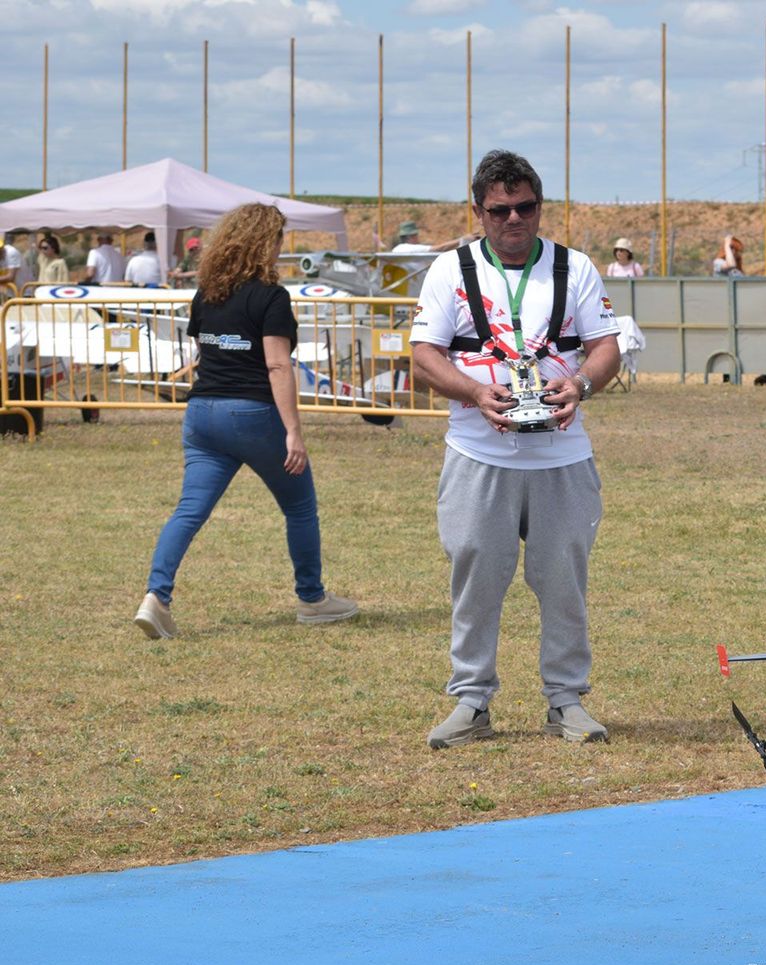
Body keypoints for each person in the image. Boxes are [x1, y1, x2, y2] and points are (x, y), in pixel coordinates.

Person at [409, 149, 623, 750]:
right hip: (478, 456)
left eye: (526, 207)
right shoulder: (449, 271)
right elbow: (424, 355)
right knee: (475, 571)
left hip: (562, 458)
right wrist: (477, 393)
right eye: (500, 209)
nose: (514, 219)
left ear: (539, 207)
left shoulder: (574, 267)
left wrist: (579, 384)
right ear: (478, 211)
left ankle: (567, 701)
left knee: (563, 579)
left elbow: (606, 346)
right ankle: (471, 700)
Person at [134, 203, 358, 641]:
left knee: (189, 511)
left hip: (202, 416)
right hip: (252, 415)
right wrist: (293, 430)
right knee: (299, 507)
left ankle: (155, 597)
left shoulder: (205, 295)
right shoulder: (272, 297)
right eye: (277, 239)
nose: (280, 248)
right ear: (264, 244)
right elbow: (277, 367)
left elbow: (205, 353)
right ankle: (312, 600)